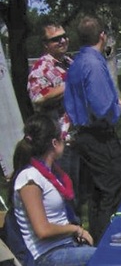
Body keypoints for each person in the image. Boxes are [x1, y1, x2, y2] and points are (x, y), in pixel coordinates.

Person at [64, 15, 121, 244]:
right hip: (98, 135)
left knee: (97, 192)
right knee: (113, 188)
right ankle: (107, 242)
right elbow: (101, 104)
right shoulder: (93, 63)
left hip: (83, 134)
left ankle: (95, 238)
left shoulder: (77, 62)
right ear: (102, 36)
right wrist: (119, 107)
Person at [9, 114, 95, 266]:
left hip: (66, 247)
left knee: (114, 250)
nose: (67, 140)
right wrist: (76, 229)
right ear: (54, 143)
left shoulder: (52, 174)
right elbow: (42, 230)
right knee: (108, 258)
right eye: (64, 137)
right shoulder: (29, 179)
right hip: (47, 257)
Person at [27, 22, 84, 216]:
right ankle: (69, 233)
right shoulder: (40, 68)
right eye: (56, 39)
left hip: (79, 136)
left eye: (64, 36)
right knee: (65, 195)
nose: (63, 40)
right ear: (45, 44)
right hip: (59, 141)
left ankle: (79, 231)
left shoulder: (70, 62)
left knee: (80, 192)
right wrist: (68, 85)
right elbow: (38, 98)